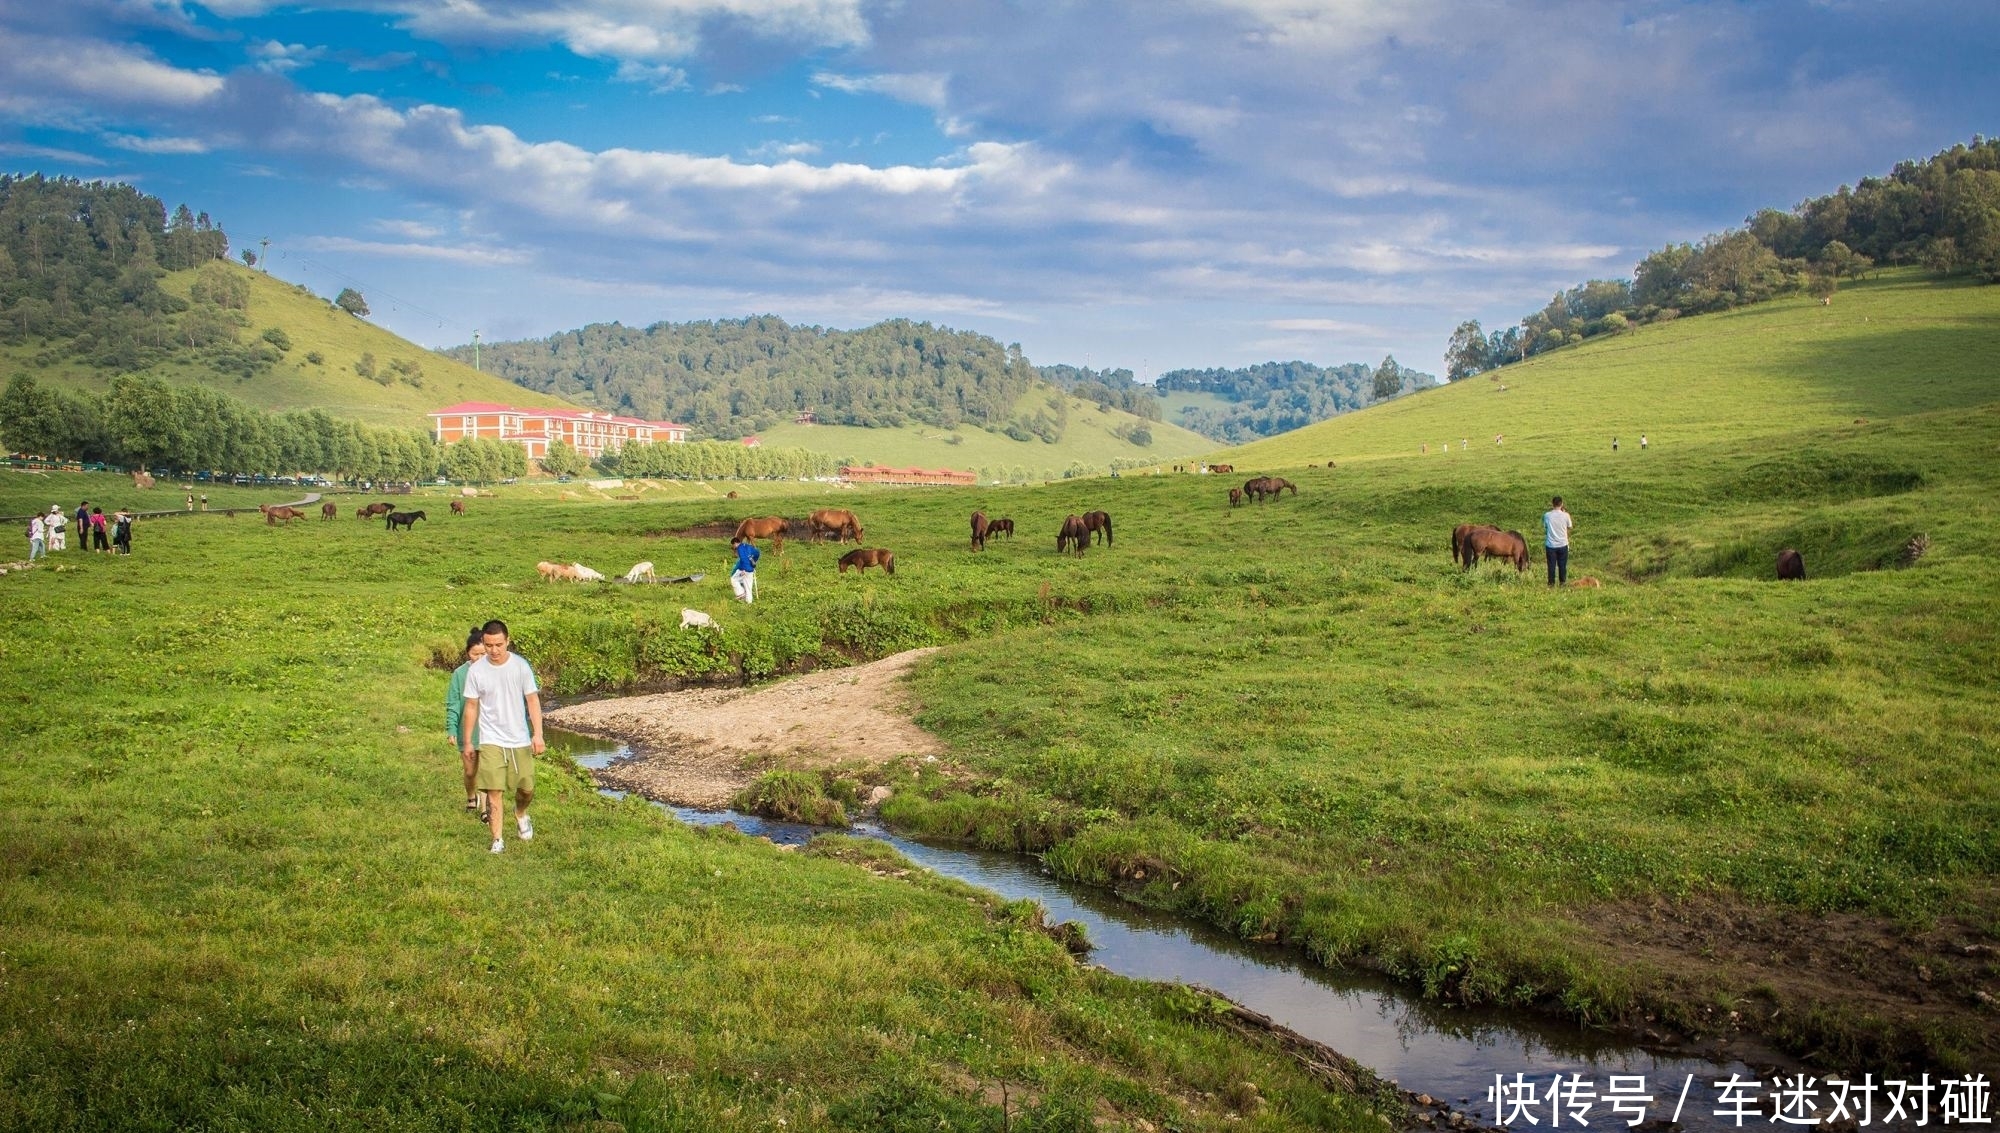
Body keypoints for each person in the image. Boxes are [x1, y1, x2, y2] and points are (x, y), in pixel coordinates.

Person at [461, 620, 544, 854]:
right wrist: (468, 741)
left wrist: (537, 734)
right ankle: (497, 839)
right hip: (490, 739)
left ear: (507, 641)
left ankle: (520, 814)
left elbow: (532, 701)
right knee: (493, 791)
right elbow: (471, 707)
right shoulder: (476, 671)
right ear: (483, 643)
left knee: (526, 789)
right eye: (488, 645)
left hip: (518, 738)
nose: (494, 650)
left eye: (498, 644)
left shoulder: (520, 666)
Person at [1542, 495, 1573, 587]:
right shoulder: (1566, 515)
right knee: (1562, 565)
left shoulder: (1547, 515)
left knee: (1551, 566)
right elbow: (1570, 527)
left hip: (1551, 545)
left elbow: (1545, 527)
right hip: (1563, 544)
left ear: (1552, 504)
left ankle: (1551, 584)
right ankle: (1562, 583)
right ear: (1562, 504)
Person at [730, 536, 760, 604]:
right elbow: (757, 552)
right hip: (751, 570)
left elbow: (743, 559)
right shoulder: (747, 546)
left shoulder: (740, 548)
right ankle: (749, 602)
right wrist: (753, 561)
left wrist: (743, 569)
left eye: (733, 545)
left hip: (744, 570)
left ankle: (741, 594)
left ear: (735, 543)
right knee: (748, 586)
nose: (733, 547)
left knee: (733, 579)